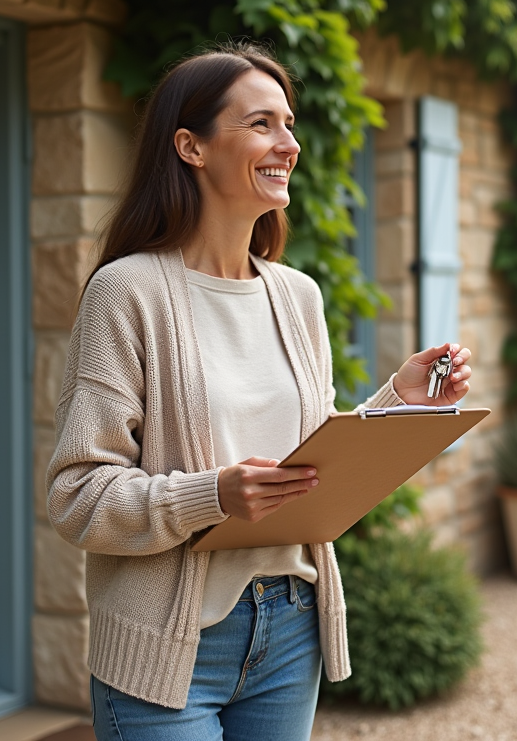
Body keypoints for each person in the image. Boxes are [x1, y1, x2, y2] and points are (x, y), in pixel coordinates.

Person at [45, 43, 473, 741]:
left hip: (290, 629)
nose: (289, 144)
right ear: (191, 146)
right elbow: (77, 495)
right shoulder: (126, 293)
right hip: (168, 651)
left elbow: (306, 460)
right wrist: (210, 496)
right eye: (262, 124)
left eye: (290, 124)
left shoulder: (296, 294)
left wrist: (399, 401)